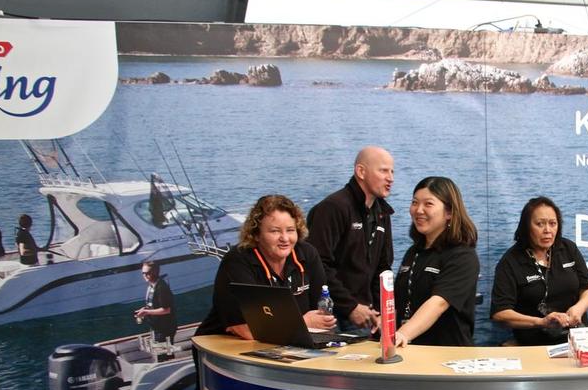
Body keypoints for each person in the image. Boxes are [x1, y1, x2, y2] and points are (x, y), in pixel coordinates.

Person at [195, 194, 335, 339]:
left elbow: (321, 319)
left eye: (290, 230)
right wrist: (304, 322)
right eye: (275, 231)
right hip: (224, 345)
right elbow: (246, 330)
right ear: (256, 234)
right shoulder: (238, 260)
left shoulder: (307, 254)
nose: (285, 238)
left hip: (289, 341)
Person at [306, 146, 395, 335]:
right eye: (383, 170)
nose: (390, 178)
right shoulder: (333, 208)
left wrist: (380, 311)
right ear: (361, 171)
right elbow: (318, 263)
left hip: (367, 315)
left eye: (392, 171)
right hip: (332, 315)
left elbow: (383, 266)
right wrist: (350, 306)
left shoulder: (382, 213)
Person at [490, 196, 588, 345]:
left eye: (553, 224)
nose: (548, 230)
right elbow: (500, 314)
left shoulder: (568, 248)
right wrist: (541, 322)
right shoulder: (510, 261)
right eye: (540, 224)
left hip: (578, 341)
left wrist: (579, 308)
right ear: (526, 226)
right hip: (535, 345)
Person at [393, 177, 479, 348]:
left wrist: (403, 333)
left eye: (428, 204)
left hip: (447, 356)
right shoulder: (413, 252)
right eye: (415, 203)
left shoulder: (463, 256)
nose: (418, 210)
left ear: (449, 212)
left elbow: (438, 303)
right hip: (410, 351)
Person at [135, 260, 178, 360]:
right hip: (157, 327)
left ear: (155, 272)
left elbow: (166, 309)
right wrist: (144, 309)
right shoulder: (151, 286)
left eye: (148, 273)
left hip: (164, 329)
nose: (145, 275)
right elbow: (153, 305)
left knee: (164, 356)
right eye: (143, 273)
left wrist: (146, 312)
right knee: (163, 355)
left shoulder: (161, 287)